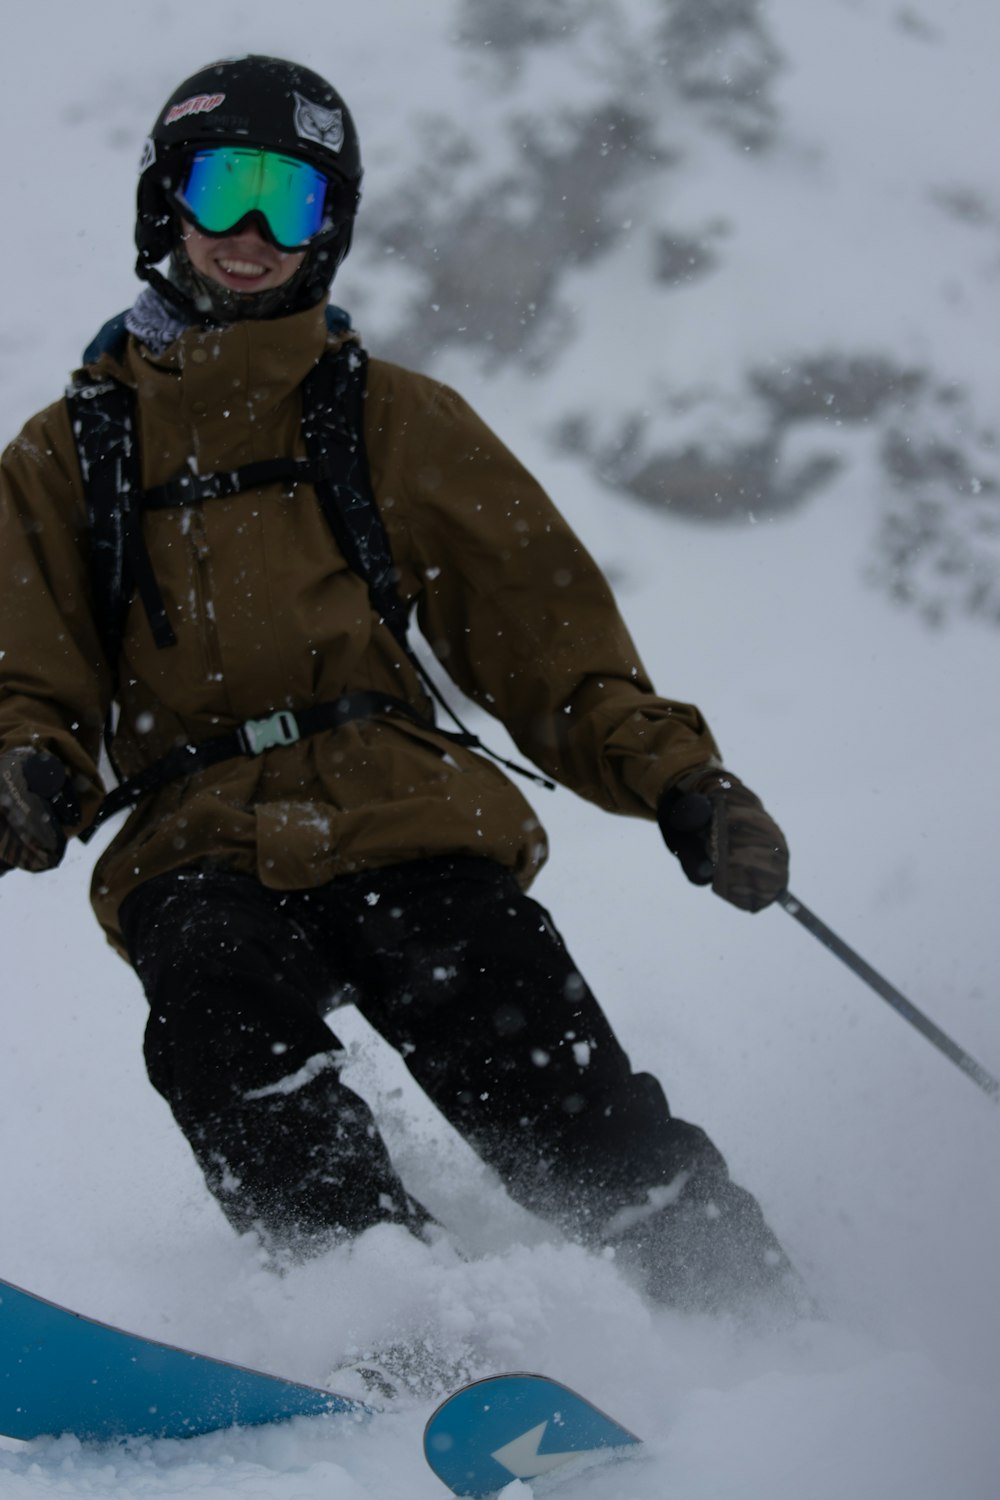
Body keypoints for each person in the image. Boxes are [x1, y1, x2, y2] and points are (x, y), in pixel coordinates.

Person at [0, 56, 800, 1319]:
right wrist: (28, 766)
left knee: (541, 1069)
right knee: (216, 1017)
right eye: (227, 189)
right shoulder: (69, 453)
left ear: (333, 228)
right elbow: (25, 666)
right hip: (195, 835)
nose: (254, 234)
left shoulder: (394, 420)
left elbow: (550, 648)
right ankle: (382, 1309)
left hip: (400, 810)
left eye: (293, 202)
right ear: (170, 204)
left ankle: (748, 1316)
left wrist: (680, 781)